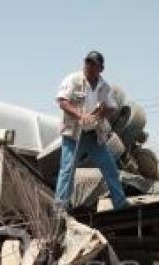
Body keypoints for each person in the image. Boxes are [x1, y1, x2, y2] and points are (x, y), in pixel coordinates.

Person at [53, 50, 128, 211]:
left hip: (94, 136)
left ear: (101, 68)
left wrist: (99, 115)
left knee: (110, 168)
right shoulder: (73, 79)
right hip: (74, 134)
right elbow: (62, 101)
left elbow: (111, 106)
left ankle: (120, 205)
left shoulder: (104, 86)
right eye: (87, 62)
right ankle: (60, 208)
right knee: (67, 170)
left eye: (93, 64)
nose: (88, 66)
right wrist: (80, 115)